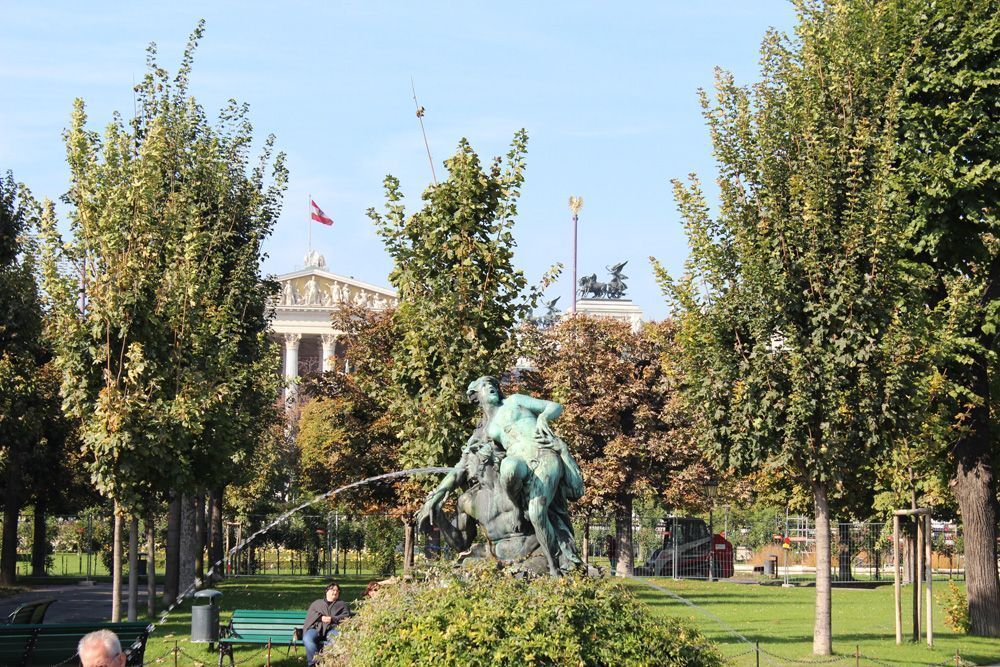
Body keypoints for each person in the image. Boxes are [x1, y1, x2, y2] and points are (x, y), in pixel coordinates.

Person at [466, 376, 584, 575]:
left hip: (542, 454)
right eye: (485, 386)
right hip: (518, 459)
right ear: (476, 396)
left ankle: (553, 567)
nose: (492, 387)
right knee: (508, 468)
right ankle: (517, 509)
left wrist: (543, 417)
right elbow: (490, 457)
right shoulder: (488, 428)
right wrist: (479, 450)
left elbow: (555, 406)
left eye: (493, 384)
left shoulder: (514, 401)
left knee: (538, 513)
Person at [303, 582, 350, 666]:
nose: (335, 592)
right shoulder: (317, 603)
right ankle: (314, 664)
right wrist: (320, 618)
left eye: (337, 591)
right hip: (317, 628)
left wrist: (332, 619)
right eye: (333, 590)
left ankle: (328, 663)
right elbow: (310, 615)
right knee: (307, 638)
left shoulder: (342, 604)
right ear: (326, 591)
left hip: (333, 628)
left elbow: (346, 617)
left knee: (335, 639)